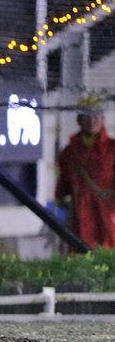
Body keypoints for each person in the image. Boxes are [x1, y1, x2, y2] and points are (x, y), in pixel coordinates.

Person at [55, 96, 115, 249]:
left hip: (108, 223)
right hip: (79, 224)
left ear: (103, 119)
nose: (92, 120)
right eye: (87, 116)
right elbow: (62, 190)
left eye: (96, 116)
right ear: (79, 120)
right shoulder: (69, 153)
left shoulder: (112, 149)